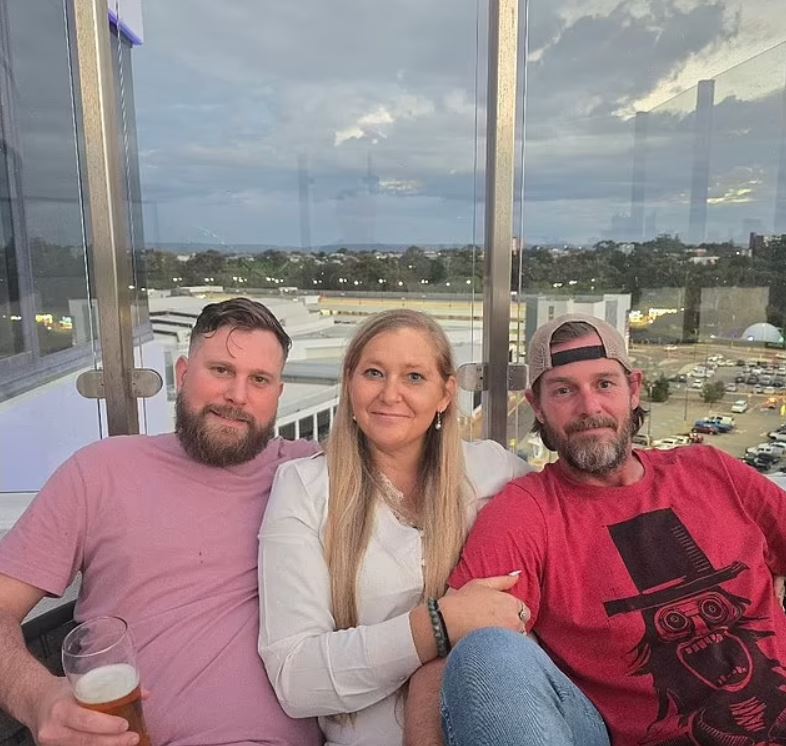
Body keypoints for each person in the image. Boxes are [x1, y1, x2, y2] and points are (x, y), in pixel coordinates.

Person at [408, 312, 786, 746]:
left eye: (605, 384)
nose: (590, 408)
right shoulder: (528, 512)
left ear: (634, 389)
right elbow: (462, 660)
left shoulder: (710, 471)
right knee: (486, 652)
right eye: (565, 390)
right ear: (537, 406)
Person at [0, 298, 322, 746]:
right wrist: (36, 699)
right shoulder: (101, 471)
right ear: (184, 373)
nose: (238, 395)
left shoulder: (313, 473)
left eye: (260, 380)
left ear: (278, 394)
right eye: (222, 371)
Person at [257, 309, 531, 746]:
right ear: (350, 383)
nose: (390, 394)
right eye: (374, 373)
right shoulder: (305, 488)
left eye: (414, 377)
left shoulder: (496, 471)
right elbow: (295, 677)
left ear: (446, 393)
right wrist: (438, 625)